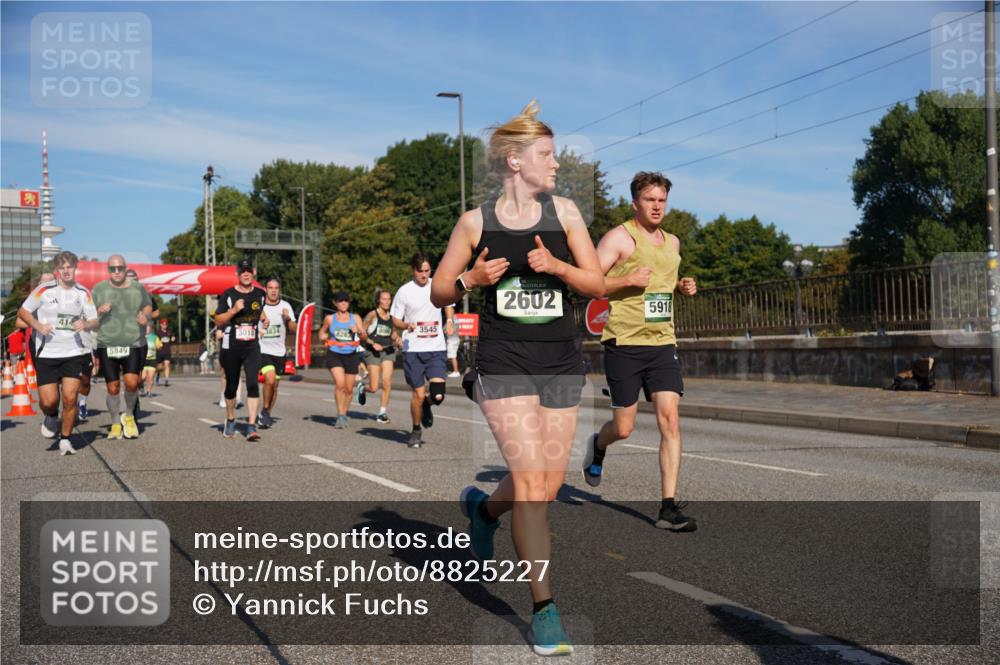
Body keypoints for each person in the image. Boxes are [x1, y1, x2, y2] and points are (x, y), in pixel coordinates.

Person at [430, 100, 604, 656]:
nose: (556, 164)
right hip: (503, 363)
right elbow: (439, 289)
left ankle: (483, 510)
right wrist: (471, 279)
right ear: (514, 161)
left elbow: (596, 284)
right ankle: (545, 607)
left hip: (559, 361)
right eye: (547, 155)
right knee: (531, 484)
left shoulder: (568, 214)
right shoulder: (475, 221)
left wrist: (558, 268)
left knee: (548, 485)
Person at [584, 171, 699, 530]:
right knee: (624, 428)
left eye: (662, 200)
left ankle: (668, 507)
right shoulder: (619, 238)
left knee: (670, 420)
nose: (657, 206)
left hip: (663, 342)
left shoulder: (673, 243)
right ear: (635, 203)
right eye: (650, 200)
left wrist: (681, 287)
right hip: (625, 343)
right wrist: (626, 280)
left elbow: (662, 285)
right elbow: (590, 283)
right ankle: (598, 445)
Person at [17, 252, 99, 455]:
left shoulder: (83, 292)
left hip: (73, 351)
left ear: (75, 268)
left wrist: (86, 323)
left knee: (70, 399)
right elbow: (23, 312)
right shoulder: (43, 290)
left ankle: (65, 439)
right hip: (47, 353)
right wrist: (37, 325)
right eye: (62, 267)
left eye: (69, 266)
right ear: (57, 271)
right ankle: (51, 415)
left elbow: (95, 320)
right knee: (49, 401)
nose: (66, 270)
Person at [391, 253, 455, 448]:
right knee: (417, 394)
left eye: (427, 271)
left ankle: (428, 404)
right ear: (413, 270)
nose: (424, 275)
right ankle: (416, 429)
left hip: (435, 347)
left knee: (438, 395)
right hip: (413, 350)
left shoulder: (438, 285)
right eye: (421, 271)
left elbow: (449, 304)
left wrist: (450, 320)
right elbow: (395, 320)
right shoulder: (404, 291)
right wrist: (405, 325)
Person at [91, 255, 153, 440]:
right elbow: (87, 314)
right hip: (107, 343)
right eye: (112, 269)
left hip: (132, 342)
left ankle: (129, 417)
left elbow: (148, 306)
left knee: (132, 383)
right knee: (113, 387)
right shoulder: (99, 289)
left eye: (119, 268)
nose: (116, 272)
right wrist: (98, 311)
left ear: (125, 268)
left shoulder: (136, 287)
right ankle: (115, 423)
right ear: (108, 270)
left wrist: (145, 316)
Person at [214, 258, 267, 441]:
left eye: (249, 271)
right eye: (243, 271)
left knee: (253, 383)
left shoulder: (261, 294)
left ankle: (251, 426)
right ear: (237, 274)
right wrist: (233, 311)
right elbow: (218, 320)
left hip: (252, 346)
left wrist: (264, 319)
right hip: (232, 346)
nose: (246, 274)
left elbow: (259, 311)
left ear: (253, 273)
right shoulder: (228, 294)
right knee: (231, 386)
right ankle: (230, 418)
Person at [320, 291, 364, 429]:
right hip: (335, 354)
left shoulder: (355, 318)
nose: (343, 303)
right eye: (340, 301)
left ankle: (344, 414)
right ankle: (339, 415)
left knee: (349, 389)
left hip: (351, 355)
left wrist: (358, 330)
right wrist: (323, 337)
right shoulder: (330, 319)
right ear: (336, 303)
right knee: (340, 384)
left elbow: (363, 335)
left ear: (349, 303)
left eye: (346, 300)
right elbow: (322, 332)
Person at [356, 288, 399, 424]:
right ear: (379, 301)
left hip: (388, 351)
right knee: (374, 387)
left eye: (388, 299)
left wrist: (398, 339)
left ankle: (382, 413)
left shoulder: (392, 317)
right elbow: (361, 333)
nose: (387, 302)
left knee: (387, 382)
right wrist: (372, 343)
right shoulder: (372, 315)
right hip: (373, 352)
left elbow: (392, 333)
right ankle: (363, 388)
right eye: (384, 299)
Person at [258, 278, 296, 428]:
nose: (273, 291)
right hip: (262, 350)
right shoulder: (259, 305)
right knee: (270, 379)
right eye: (270, 288)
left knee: (275, 386)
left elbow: (294, 329)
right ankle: (265, 413)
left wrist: (287, 319)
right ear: (266, 290)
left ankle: (265, 412)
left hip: (279, 352)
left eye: (276, 288)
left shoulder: (285, 306)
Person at [141, 323, 160, 397]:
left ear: (151, 329)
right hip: (143, 360)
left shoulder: (155, 337)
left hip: (152, 359)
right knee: (143, 377)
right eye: (146, 328)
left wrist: (157, 346)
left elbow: (159, 346)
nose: (147, 330)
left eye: (148, 328)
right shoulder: (141, 337)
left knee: (150, 377)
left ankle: (149, 392)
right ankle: (141, 385)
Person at [155, 318, 175, 386]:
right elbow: (155, 341)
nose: (165, 325)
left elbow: (173, 337)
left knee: (167, 365)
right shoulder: (158, 332)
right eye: (163, 324)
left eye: (166, 324)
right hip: (159, 352)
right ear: (161, 325)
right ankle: (158, 375)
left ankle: (166, 380)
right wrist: (159, 342)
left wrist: (173, 338)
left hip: (167, 351)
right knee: (160, 368)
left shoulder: (169, 331)